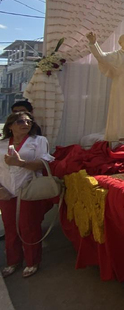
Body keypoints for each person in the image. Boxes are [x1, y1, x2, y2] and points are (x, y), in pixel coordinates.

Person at [0, 112, 55, 278]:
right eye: (20, 121)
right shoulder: (2, 144)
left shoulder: (38, 141)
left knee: (29, 227)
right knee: (10, 228)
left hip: (29, 190)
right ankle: (13, 260)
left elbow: (43, 163)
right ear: (10, 125)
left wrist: (20, 163)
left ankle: (32, 261)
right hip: (6, 191)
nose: (25, 123)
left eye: (28, 121)